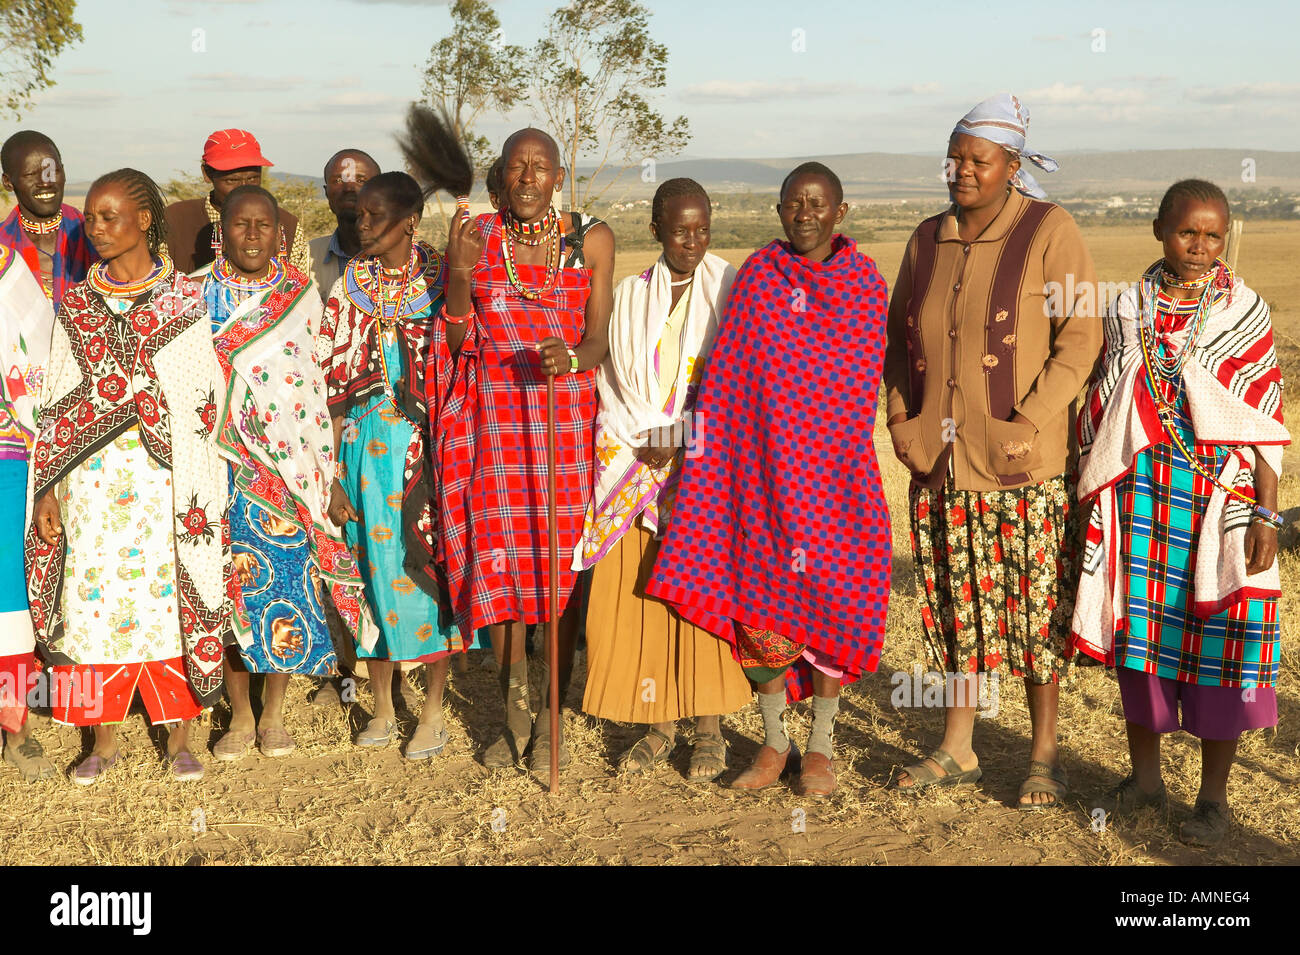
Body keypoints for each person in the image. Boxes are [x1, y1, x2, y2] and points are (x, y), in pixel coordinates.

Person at [644, 162, 892, 798]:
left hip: (833, 479)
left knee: (834, 604)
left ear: (840, 212)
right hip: (758, 476)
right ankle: (775, 739)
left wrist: (816, 446)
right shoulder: (759, 276)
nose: (803, 214)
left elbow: (858, 386)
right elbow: (728, 376)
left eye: (816, 204)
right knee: (762, 607)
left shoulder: (863, 284)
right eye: (791, 204)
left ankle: (823, 746)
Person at [884, 93, 1100, 808]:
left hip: (1022, 467)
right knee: (956, 605)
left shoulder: (1048, 230)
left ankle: (1043, 753)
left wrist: (1029, 419)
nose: (963, 170)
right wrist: (901, 422)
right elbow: (897, 346)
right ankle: (957, 746)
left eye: (979, 159)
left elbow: (1080, 340)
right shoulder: (924, 240)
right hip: (940, 468)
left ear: (1013, 165)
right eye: (956, 156)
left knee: (1034, 609)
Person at [1073, 180, 1289, 846]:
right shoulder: (1127, 306)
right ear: (1157, 227)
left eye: (1212, 235)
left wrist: (1266, 511)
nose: (1198, 246)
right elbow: (1104, 398)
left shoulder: (1242, 312)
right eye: (1186, 232)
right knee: (1140, 642)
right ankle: (1145, 780)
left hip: (1217, 499)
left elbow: (1264, 415)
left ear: (1227, 237)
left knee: (1222, 643)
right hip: (1139, 499)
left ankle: (1215, 799)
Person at [26, 169, 228, 784]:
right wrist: (49, 487)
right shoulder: (78, 304)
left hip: (168, 484)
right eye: (90, 218)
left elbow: (204, 398)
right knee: (94, 606)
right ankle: (101, 744)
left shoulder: (187, 300)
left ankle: (179, 738)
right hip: (91, 486)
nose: (97, 228)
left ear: (144, 220)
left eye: (109, 216)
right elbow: (57, 400)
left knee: (169, 604)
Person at [440, 127, 615, 774]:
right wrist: (458, 274)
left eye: (540, 166)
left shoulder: (591, 238)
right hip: (496, 423)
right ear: (504, 176)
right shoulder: (478, 239)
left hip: (564, 423)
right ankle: (512, 712)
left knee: (560, 578)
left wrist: (567, 356)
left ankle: (551, 721)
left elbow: (598, 342)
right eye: (517, 167)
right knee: (506, 569)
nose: (528, 177)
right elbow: (457, 339)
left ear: (558, 174)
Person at [573, 178, 750, 779]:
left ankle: (709, 729)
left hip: (703, 468)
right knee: (644, 593)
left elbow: (739, 383)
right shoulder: (626, 296)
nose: (693, 241)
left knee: (699, 593)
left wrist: (685, 435)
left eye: (703, 229)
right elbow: (612, 386)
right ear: (656, 231)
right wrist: (645, 441)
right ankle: (655, 725)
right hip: (633, 462)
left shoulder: (732, 288)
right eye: (680, 231)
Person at [195, 184, 375, 760]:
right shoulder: (190, 294)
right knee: (222, 595)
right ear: (221, 230)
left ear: (281, 234)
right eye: (240, 225)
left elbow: (314, 386)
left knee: (287, 588)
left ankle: (274, 713)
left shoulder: (301, 296)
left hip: (288, 470)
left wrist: (327, 472)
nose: (252, 235)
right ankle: (239, 716)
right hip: (213, 468)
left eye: (264, 226)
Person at [321, 171, 482, 759]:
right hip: (363, 455)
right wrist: (334, 472)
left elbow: (463, 356)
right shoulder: (350, 284)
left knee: (430, 576)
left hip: (429, 454)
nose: (361, 225)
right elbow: (331, 380)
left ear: (409, 220)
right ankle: (385, 708)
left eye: (374, 215)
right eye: (358, 214)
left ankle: (434, 712)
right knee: (369, 577)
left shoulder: (444, 278)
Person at [0, 242, 56, 780]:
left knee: (9, 605)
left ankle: (15, 726)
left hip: (6, 460)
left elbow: (41, 358)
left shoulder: (9, 271)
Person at [164, 129, 312, 275]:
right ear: (207, 174)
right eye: (232, 180)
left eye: (252, 179)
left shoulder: (288, 225)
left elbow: (300, 286)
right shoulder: (175, 220)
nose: (244, 188)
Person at [0, 130, 96, 310]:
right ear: (8, 182)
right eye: (30, 174)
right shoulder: (2, 248)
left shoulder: (97, 238)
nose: (46, 182)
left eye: (53, 171)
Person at [309, 149, 381, 306]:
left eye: (361, 180)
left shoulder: (408, 260)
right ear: (326, 192)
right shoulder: (306, 258)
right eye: (339, 181)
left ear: (380, 191)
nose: (349, 188)